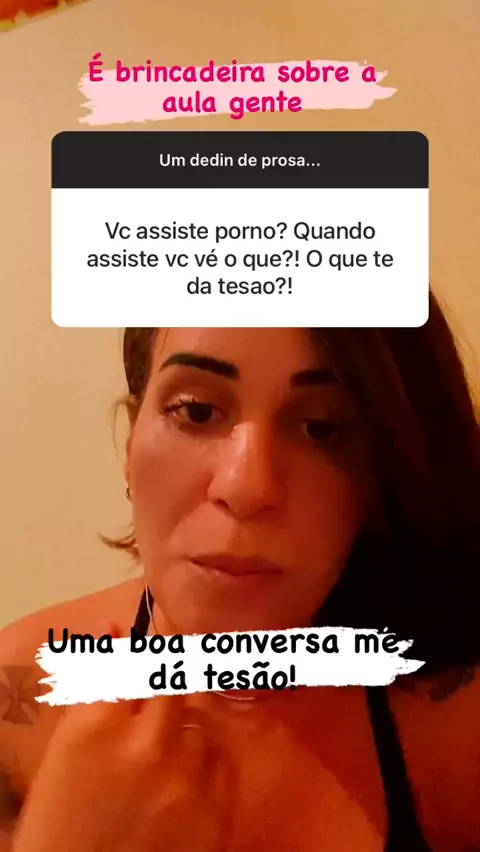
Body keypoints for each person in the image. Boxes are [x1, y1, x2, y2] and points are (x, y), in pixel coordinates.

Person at [0, 298, 479, 851]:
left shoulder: (450, 721)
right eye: (197, 412)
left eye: (321, 428)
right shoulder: (17, 698)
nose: (246, 486)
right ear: (131, 447)